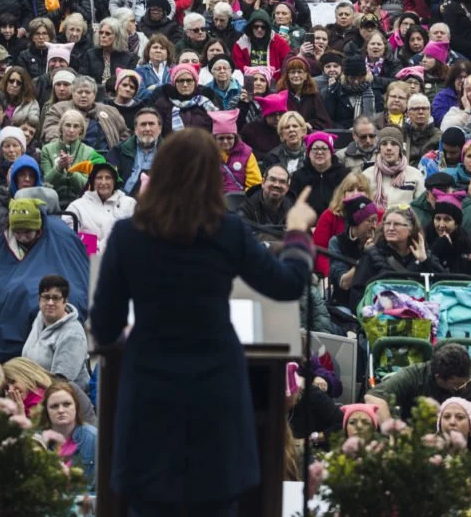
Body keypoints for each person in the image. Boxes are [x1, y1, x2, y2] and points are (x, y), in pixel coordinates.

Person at [90, 127, 316, 515]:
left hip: (150, 394)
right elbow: (288, 284)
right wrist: (296, 231)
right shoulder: (227, 231)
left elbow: (105, 326)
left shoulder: (129, 235)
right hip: (216, 394)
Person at [0, 197, 89, 363]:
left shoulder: (60, 235)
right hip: (10, 287)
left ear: (39, 227)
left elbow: (74, 273)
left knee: (34, 297)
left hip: (46, 284)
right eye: (17, 232)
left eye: (28, 232)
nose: (22, 238)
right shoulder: (3, 238)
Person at [365, 342, 471, 437]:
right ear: (439, 378)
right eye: (458, 385)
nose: (465, 386)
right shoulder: (414, 376)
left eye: (467, 381)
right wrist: (396, 432)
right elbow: (373, 397)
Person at [349, 203, 444, 311]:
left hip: (418, 319)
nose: (390, 228)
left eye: (397, 224)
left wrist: (425, 260)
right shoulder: (371, 255)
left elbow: (444, 286)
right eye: (387, 223)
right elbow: (357, 295)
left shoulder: (424, 255)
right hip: (381, 319)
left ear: (410, 228)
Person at [22, 274, 89, 390]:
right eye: (46, 297)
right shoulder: (40, 318)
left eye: (56, 298)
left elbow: (60, 383)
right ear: (39, 299)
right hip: (34, 391)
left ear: (65, 301)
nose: (50, 303)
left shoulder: (73, 334)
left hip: (64, 400)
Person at [66, 159, 136, 251]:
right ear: (92, 182)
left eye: (108, 178)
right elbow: (70, 238)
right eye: (99, 178)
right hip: (89, 261)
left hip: (122, 261)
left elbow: (136, 236)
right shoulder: (76, 206)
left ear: (114, 182)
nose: (103, 182)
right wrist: (101, 248)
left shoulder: (129, 203)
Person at [41, 381, 97, 490]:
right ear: (46, 411)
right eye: (54, 406)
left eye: (67, 404)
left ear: (76, 407)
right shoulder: (38, 441)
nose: (61, 410)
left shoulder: (94, 439)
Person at [363, 126, 425, 208]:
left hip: (405, 219)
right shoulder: (367, 175)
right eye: (384, 144)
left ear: (400, 148)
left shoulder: (415, 174)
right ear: (379, 148)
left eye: (394, 144)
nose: (389, 148)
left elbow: (421, 207)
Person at [239, 164, 293, 229]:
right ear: (263, 182)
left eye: (282, 182)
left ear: (287, 187)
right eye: (272, 179)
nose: (277, 185)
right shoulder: (247, 209)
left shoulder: (294, 210)